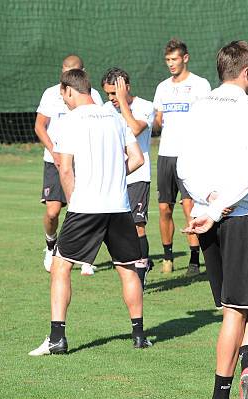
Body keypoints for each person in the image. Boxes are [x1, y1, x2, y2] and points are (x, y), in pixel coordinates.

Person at [178, 40, 248, 399]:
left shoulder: (198, 106)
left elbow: (183, 166)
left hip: (204, 218)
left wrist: (207, 200)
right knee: (238, 308)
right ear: (247, 72)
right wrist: (218, 209)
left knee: (240, 305)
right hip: (237, 217)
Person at [29, 69, 151, 356]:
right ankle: (139, 335)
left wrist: (75, 199)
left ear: (70, 90)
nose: (64, 102)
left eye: (63, 97)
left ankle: (57, 338)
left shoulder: (70, 121)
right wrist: (112, 178)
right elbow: (137, 159)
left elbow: (65, 168)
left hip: (86, 207)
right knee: (128, 269)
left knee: (60, 265)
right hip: (119, 206)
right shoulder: (115, 117)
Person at [34, 54, 103, 276]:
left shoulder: (93, 96)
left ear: (82, 72)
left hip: (82, 162)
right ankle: (51, 245)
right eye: (64, 69)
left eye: (71, 70)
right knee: (53, 212)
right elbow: (39, 126)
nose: (66, 74)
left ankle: (85, 257)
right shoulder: (51, 94)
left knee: (85, 207)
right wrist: (54, 151)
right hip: (54, 160)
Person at [153, 38, 211, 276]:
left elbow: (208, 118)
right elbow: (157, 120)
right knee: (164, 207)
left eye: (174, 59)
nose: (171, 64)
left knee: (190, 206)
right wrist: (158, 120)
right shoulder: (163, 87)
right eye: (167, 60)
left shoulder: (200, 85)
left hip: (190, 155)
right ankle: (167, 257)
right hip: (166, 155)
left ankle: (195, 260)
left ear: (185, 58)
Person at [101, 67, 155, 290]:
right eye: (109, 94)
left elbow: (134, 128)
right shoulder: (104, 110)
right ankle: (138, 264)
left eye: (115, 93)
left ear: (126, 88)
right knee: (117, 230)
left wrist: (123, 103)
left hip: (138, 176)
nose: (112, 99)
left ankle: (140, 281)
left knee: (138, 226)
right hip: (115, 178)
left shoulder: (145, 107)